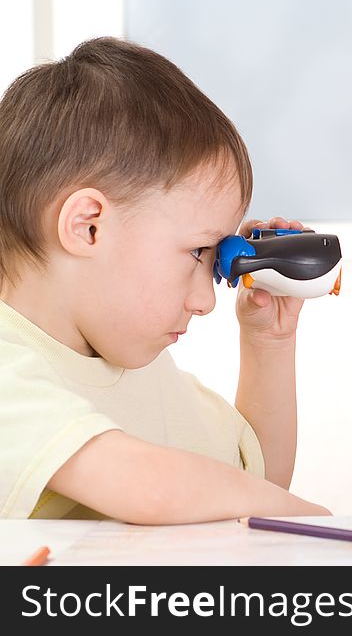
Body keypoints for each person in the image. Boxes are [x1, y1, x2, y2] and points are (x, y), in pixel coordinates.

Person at [0, 37, 330, 523]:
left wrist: (270, 341)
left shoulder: (138, 367)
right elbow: (151, 489)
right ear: (87, 225)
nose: (206, 301)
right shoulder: (10, 369)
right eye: (198, 251)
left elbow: (250, 483)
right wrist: (315, 517)